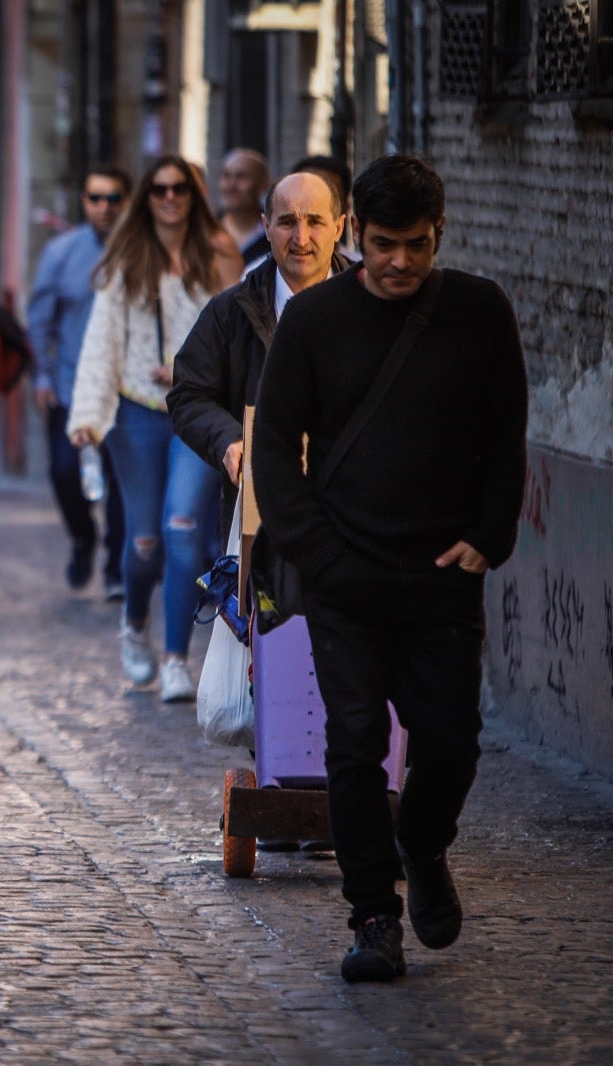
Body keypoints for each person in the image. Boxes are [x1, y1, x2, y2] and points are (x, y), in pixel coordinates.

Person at [251, 155, 527, 983]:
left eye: (415, 244)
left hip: (443, 573)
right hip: (345, 578)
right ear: (355, 239)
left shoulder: (480, 311)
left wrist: (490, 535)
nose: (400, 262)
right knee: (355, 743)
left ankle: (425, 843)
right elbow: (274, 450)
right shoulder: (314, 320)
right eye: (382, 245)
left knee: (450, 738)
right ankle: (374, 914)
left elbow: (506, 433)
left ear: (438, 235)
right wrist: (320, 555)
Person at [67, 155, 243, 702]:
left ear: (194, 194)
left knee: (184, 526)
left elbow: (237, 334)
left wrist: (195, 372)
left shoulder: (217, 255)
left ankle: (175, 659)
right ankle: (135, 620)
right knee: (143, 542)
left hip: (199, 413)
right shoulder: (127, 261)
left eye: (180, 189)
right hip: (137, 412)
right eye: (159, 189)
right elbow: (101, 344)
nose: (170, 197)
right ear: (146, 197)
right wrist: (88, 419)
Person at [168, 170, 348, 538]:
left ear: (340, 226)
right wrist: (228, 439)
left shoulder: (369, 308)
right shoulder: (231, 311)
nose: (301, 238)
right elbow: (189, 393)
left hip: (351, 513)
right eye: (287, 222)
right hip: (264, 519)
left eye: (315, 222)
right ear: (266, 227)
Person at [26, 164, 132, 592]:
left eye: (112, 198)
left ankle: (115, 570)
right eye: (94, 198)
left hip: (128, 391)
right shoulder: (61, 253)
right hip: (71, 390)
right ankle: (83, 540)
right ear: (84, 202)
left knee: (123, 481)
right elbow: (40, 321)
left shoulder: (138, 251)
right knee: (65, 473)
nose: (103, 207)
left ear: (125, 203)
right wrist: (44, 378)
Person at [292, 154, 358, 259]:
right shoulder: (260, 272)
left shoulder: (363, 272)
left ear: (346, 208)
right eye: (306, 194)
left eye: (328, 198)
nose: (313, 207)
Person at [218, 148, 270, 269]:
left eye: (241, 177)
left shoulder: (274, 235)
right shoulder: (207, 229)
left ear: (263, 184)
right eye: (226, 176)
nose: (231, 185)